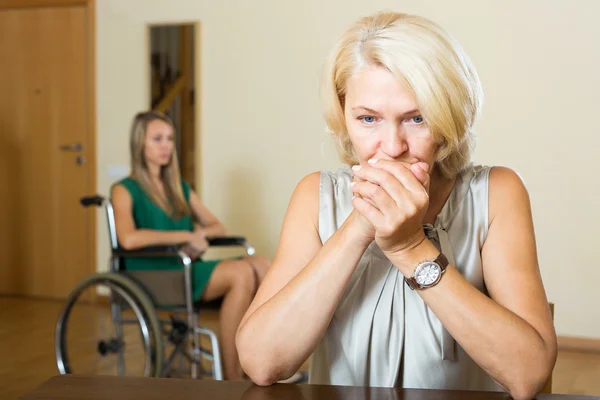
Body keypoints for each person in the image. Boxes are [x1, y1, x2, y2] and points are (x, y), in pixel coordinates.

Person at [235, 11, 557, 399]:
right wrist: (359, 225)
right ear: (343, 115)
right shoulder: (314, 196)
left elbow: (527, 374)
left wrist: (409, 248)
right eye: (368, 118)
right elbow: (261, 362)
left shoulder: (497, 193)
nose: (392, 147)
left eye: (416, 118)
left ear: (449, 116)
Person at [112, 110, 270, 380]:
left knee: (263, 265)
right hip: (152, 275)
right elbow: (128, 238)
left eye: (170, 139)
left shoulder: (179, 188)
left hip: (183, 267)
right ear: (140, 144)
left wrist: (198, 235)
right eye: (157, 139)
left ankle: (262, 361)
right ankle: (232, 376)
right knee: (241, 272)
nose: (166, 146)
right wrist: (186, 237)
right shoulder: (125, 189)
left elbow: (217, 227)